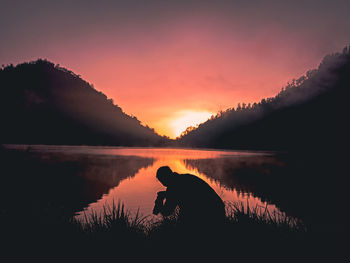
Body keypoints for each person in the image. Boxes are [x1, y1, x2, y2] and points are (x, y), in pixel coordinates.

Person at [153, 166, 226, 229]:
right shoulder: (184, 177)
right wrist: (167, 195)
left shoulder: (173, 186)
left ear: (163, 179)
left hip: (210, 213)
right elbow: (189, 193)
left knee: (183, 224)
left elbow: (167, 212)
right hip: (218, 208)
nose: (162, 184)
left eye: (161, 180)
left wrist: (159, 201)